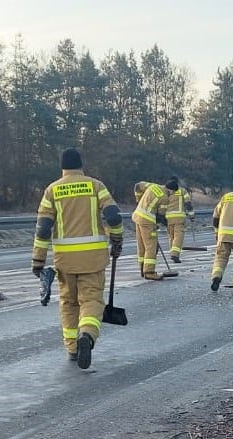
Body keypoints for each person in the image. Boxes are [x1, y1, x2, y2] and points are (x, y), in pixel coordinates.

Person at [31, 147, 124, 369]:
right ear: (81, 165)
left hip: (65, 261)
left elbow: (43, 229)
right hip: (93, 259)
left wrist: (38, 260)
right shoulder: (95, 186)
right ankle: (87, 335)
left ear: (62, 167)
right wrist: (117, 240)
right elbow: (113, 215)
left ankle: (73, 348)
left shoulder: (52, 190)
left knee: (69, 303)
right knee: (91, 301)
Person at [132, 180, 167, 280]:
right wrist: (165, 224)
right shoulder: (165, 198)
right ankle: (149, 272)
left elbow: (137, 186)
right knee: (151, 246)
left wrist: (138, 200)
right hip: (147, 221)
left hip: (137, 217)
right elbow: (160, 216)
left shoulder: (153, 186)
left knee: (141, 245)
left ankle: (142, 268)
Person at [163, 177, 192, 263]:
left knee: (171, 236)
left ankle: (172, 252)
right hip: (179, 218)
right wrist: (191, 216)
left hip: (168, 218)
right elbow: (188, 204)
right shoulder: (182, 191)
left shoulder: (166, 192)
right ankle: (175, 254)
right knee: (178, 236)